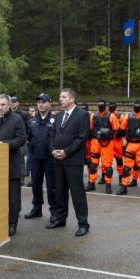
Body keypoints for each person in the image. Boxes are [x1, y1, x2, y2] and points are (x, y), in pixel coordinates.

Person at [47, 88, 90, 237]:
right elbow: (52, 135)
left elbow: (81, 138)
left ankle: (83, 224)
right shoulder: (58, 116)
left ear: (72, 99)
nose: (61, 99)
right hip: (58, 160)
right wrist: (53, 150)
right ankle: (60, 219)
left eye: (63, 97)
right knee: (60, 192)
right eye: (60, 97)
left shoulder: (82, 115)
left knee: (77, 193)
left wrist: (66, 152)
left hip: (73, 160)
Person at [0, 94, 26, 237]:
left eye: (3, 104)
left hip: (11, 163)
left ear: (9, 105)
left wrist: (4, 145)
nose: (0, 107)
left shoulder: (17, 120)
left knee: (13, 198)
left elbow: (22, 139)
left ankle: (12, 224)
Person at [24, 93, 57, 222]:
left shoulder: (55, 119)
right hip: (36, 158)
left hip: (50, 159)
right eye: (39, 102)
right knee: (36, 185)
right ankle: (36, 209)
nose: (41, 104)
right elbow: (28, 138)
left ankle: (54, 211)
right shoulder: (31, 121)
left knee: (51, 187)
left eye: (43, 102)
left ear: (49, 103)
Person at [86, 99, 120, 194]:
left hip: (107, 143)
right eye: (99, 105)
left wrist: (108, 135)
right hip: (95, 141)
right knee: (93, 164)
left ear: (105, 106)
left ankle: (108, 185)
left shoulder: (111, 116)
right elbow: (91, 128)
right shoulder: (93, 115)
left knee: (107, 166)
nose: (100, 107)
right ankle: (91, 183)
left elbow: (116, 129)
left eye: (102, 105)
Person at [11, 96, 30, 186]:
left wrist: (26, 138)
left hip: (21, 140)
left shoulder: (24, 114)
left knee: (21, 159)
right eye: (11, 101)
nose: (12, 103)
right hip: (11, 139)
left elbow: (28, 127)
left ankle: (21, 179)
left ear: (18, 103)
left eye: (14, 102)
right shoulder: (8, 113)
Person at [108, 101, 125, 186]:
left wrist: (119, 134)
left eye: (112, 106)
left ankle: (121, 178)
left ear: (116, 107)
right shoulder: (105, 115)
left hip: (117, 141)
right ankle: (105, 178)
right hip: (108, 141)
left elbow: (124, 128)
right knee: (107, 161)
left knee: (119, 160)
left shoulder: (120, 116)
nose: (110, 108)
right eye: (109, 106)